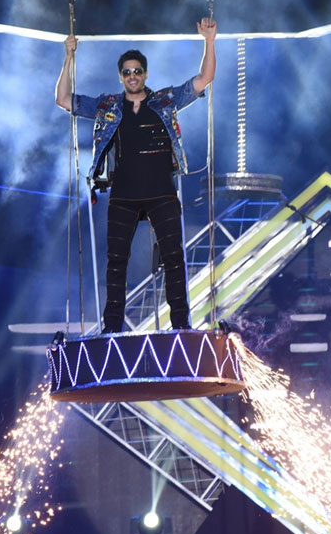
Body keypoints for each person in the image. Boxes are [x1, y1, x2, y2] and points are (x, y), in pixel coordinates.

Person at [55, 17, 217, 333]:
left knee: (174, 259)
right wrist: (68, 56)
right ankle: (112, 328)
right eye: (127, 72)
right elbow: (63, 100)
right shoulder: (108, 106)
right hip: (124, 194)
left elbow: (204, 78)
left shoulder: (165, 100)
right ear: (121, 76)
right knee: (116, 263)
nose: (132, 76)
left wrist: (209, 41)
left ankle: (181, 325)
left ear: (145, 74)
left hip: (162, 192)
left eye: (137, 71)